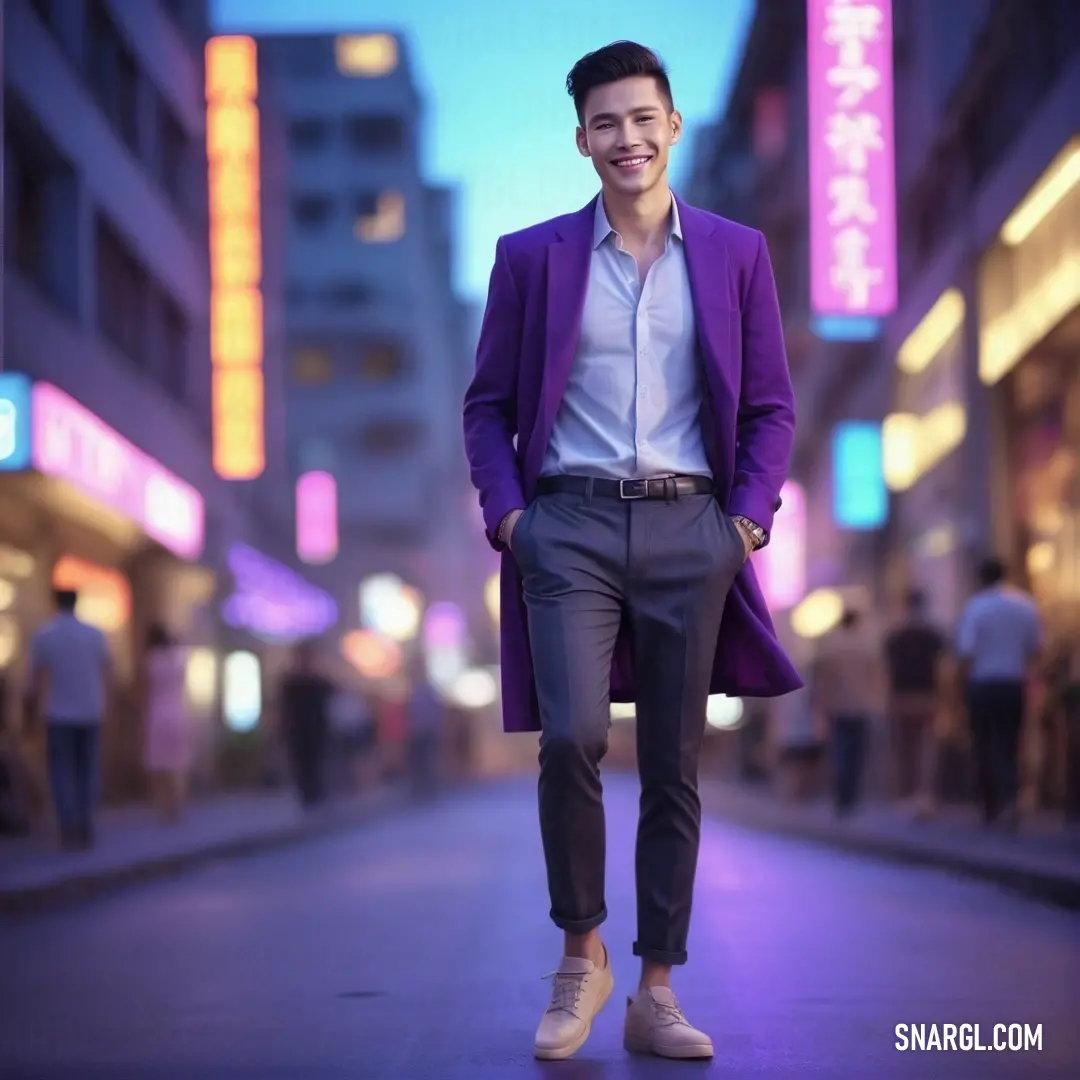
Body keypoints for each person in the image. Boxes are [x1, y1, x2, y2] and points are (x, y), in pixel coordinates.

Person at [462, 41, 800, 1062]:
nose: (627, 139)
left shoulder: (737, 254)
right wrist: (514, 519)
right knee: (570, 739)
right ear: (580, 139)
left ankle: (656, 989)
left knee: (673, 764)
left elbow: (773, 406)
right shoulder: (532, 258)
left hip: (691, 529)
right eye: (606, 122)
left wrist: (742, 523)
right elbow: (486, 407)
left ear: (673, 126)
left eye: (643, 118)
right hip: (565, 525)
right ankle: (582, 959)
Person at [956, 557, 1041, 827]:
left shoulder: (976, 607)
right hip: (1014, 682)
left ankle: (989, 805)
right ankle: (1011, 799)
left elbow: (966, 652)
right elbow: (1035, 648)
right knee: (1010, 743)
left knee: (983, 744)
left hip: (983, 683)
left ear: (981, 578)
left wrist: (961, 689)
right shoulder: (1025, 606)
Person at [26, 588, 111, 850]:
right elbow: (109, 672)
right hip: (90, 712)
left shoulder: (45, 635)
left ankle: (67, 826)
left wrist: (28, 712)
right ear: (77, 603)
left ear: (56, 603)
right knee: (87, 770)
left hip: (59, 713)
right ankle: (84, 824)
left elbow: (33, 679)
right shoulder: (95, 635)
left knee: (61, 772)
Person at [811, 608, 885, 817]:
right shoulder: (867, 647)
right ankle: (851, 793)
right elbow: (877, 677)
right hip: (861, 705)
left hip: (837, 705)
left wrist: (820, 705)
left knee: (839, 750)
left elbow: (823, 680)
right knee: (857, 752)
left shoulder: (831, 647)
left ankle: (842, 793)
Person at [883, 588, 947, 816]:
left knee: (904, 749)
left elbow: (888, 672)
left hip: (902, 697)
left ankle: (905, 795)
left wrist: (888, 699)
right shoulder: (933, 636)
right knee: (927, 747)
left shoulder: (895, 636)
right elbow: (942, 669)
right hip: (927, 696)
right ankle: (925, 794)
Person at [141, 624, 192, 824]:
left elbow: (144, 689)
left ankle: (164, 805)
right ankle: (177, 802)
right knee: (177, 761)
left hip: (157, 713)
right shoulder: (180, 659)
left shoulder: (151, 661)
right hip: (178, 712)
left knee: (160, 763)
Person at [278, 640, 334, 808]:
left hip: (316, 729)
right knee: (302, 763)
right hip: (298, 730)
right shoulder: (291, 682)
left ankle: (316, 792)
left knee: (316, 761)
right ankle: (307, 794)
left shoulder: (318, 681)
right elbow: (284, 707)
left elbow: (331, 696)